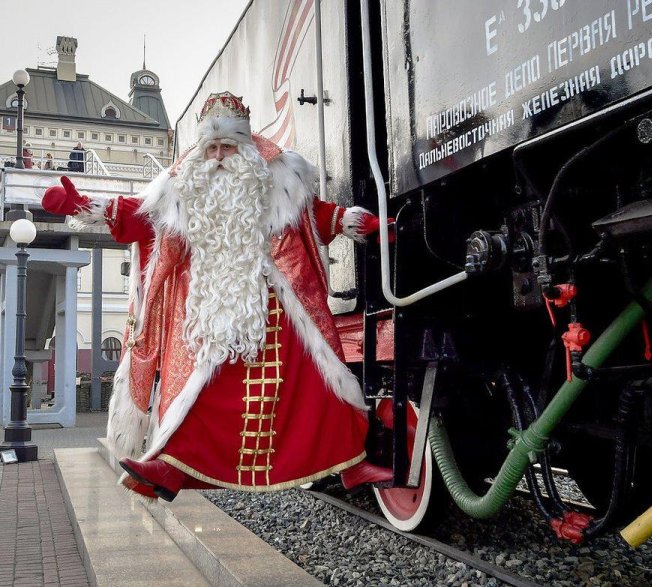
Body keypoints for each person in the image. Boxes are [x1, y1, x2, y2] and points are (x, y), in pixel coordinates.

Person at [42, 91, 393, 501]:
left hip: (277, 309)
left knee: (319, 387)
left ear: (245, 146)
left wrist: (358, 223)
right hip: (209, 313)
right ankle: (167, 467)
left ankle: (351, 463)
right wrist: (87, 205)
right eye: (212, 148)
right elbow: (141, 216)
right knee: (195, 398)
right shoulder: (181, 187)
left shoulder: (276, 177)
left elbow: (315, 215)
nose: (220, 157)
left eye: (228, 146)